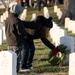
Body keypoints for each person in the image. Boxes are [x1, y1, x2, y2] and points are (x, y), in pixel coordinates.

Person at [5, 3, 40, 72]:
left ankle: (11, 71)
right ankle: (15, 71)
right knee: (17, 58)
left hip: (9, 41)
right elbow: (21, 32)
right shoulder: (16, 20)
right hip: (16, 41)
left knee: (11, 58)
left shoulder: (7, 19)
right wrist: (26, 36)